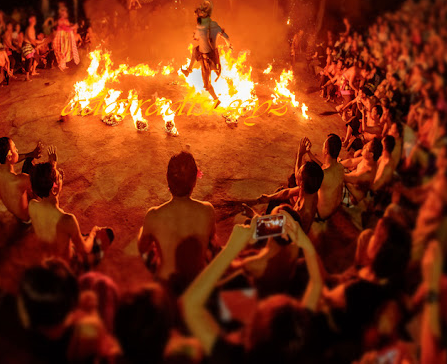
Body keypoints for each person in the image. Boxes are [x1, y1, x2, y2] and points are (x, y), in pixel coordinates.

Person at [180, 215, 324, 363]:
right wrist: (305, 244)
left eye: (267, 306)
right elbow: (317, 284)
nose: (267, 301)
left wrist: (231, 248)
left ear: (255, 328)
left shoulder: (232, 356)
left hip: (244, 300)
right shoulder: (296, 341)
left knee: (223, 295)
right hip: (253, 296)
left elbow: (190, 304)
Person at [138, 151, 218, 295]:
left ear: (168, 180)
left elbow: (143, 247)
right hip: (197, 282)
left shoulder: (153, 215)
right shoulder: (207, 210)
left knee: (146, 236)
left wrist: (144, 232)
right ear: (194, 181)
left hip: (166, 284)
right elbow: (212, 239)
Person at [28, 150, 113, 268]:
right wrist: (93, 233)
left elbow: (44, 182)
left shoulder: (32, 205)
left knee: (74, 236)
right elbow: (84, 250)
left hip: (48, 258)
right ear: (54, 189)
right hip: (65, 265)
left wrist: (53, 166)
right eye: (59, 177)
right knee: (107, 234)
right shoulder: (67, 220)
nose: (61, 176)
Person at [180, 0, 232, 105]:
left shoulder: (200, 28)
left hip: (207, 58)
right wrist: (229, 45)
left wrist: (195, 35)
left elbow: (196, 37)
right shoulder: (216, 26)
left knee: (207, 82)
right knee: (195, 50)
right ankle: (188, 70)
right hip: (213, 55)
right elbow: (226, 37)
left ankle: (216, 99)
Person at [0, 137, 42, 222]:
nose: (17, 150)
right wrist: (52, 165)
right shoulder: (20, 179)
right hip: (26, 217)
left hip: (12, 209)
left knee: (28, 161)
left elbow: (13, 159)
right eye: (15, 148)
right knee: (42, 180)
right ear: (9, 157)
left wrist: (31, 154)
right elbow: (45, 184)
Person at [303, 134, 345, 220]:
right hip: (334, 209)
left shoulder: (323, 175)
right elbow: (322, 165)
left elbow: (301, 178)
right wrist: (308, 152)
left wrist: (300, 155)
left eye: (323, 146)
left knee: (298, 186)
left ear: (326, 151)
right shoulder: (340, 167)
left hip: (320, 215)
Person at [52, 5, 79, 71]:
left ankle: (63, 65)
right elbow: (64, 28)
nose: (64, 13)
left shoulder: (66, 20)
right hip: (61, 37)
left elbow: (68, 26)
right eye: (63, 12)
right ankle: (61, 65)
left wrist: (73, 26)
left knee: (66, 50)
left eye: (65, 12)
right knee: (61, 50)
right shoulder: (60, 20)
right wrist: (73, 27)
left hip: (66, 37)